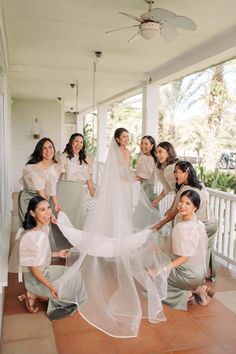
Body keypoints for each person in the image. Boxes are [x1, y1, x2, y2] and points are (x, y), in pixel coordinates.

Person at [54, 127, 170, 338]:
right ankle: (117, 248)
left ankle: (112, 246)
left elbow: (118, 172)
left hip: (119, 186)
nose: (127, 139)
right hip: (123, 187)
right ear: (118, 139)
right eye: (124, 136)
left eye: (128, 136)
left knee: (116, 215)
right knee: (122, 215)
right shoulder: (124, 152)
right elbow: (125, 172)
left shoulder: (118, 151)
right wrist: (134, 177)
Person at [9, 196, 87, 320]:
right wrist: (51, 287)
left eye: (48, 208)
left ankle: (39, 295)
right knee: (68, 291)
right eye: (42, 210)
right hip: (36, 279)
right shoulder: (32, 236)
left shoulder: (44, 228)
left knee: (75, 275)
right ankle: (33, 292)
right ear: (33, 213)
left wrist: (57, 254)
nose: (48, 213)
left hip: (44, 270)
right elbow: (34, 270)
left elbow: (39, 254)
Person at [148, 190, 214, 311]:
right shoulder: (196, 222)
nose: (182, 205)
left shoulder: (184, 227)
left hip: (188, 275)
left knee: (152, 282)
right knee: (162, 262)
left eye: (188, 203)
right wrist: (159, 247)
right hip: (200, 274)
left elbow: (184, 258)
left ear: (195, 208)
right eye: (181, 201)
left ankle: (186, 294)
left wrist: (160, 270)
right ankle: (199, 287)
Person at [153, 161, 218, 279]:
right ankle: (207, 280)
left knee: (190, 255)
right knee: (204, 252)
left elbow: (175, 213)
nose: (174, 175)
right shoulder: (198, 184)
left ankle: (196, 285)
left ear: (186, 173)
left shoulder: (187, 189)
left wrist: (159, 225)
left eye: (176, 171)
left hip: (204, 224)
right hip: (212, 222)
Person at [18, 138, 70, 250]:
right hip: (29, 199)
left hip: (42, 199)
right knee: (32, 226)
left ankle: (45, 253)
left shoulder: (56, 166)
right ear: (40, 151)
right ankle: (29, 253)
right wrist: (50, 213)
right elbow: (40, 192)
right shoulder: (33, 168)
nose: (48, 151)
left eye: (50, 147)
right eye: (44, 148)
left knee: (45, 225)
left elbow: (52, 186)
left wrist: (56, 204)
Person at [57, 133, 95, 229]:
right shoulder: (63, 157)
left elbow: (89, 180)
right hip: (65, 193)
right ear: (71, 142)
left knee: (78, 221)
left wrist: (95, 194)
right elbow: (57, 178)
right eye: (76, 141)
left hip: (80, 194)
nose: (79, 144)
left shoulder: (87, 159)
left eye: (81, 142)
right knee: (65, 221)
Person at [133, 135, 162, 229]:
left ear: (152, 145)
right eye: (141, 143)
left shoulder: (152, 159)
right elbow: (138, 172)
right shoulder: (141, 156)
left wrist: (130, 179)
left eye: (146, 144)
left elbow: (145, 175)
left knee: (145, 211)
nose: (142, 146)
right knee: (143, 211)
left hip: (150, 188)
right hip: (143, 187)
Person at [151, 141, 178, 212]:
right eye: (156, 152)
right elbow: (167, 187)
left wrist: (171, 208)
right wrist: (157, 200)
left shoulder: (171, 168)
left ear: (168, 153)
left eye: (160, 152)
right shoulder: (162, 167)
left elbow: (178, 192)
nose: (157, 155)